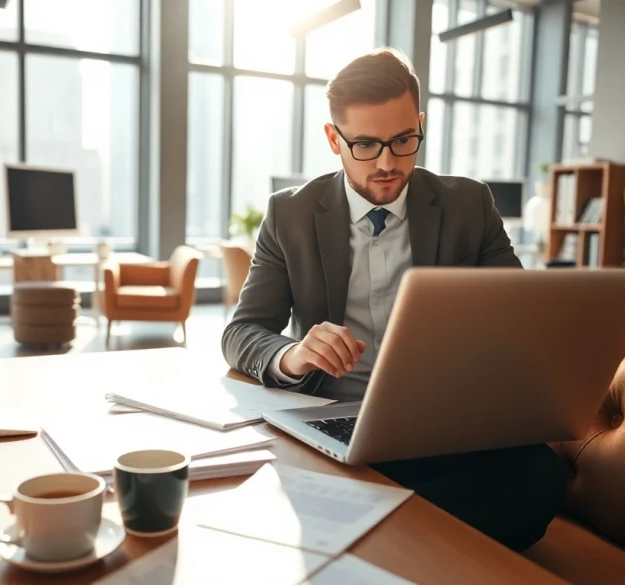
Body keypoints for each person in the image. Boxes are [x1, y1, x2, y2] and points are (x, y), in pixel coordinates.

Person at [221, 47, 567, 552]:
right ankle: (404, 538)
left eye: (404, 140)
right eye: (364, 145)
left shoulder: (469, 204)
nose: (387, 163)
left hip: (439, 421)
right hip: (334, 417)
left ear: (419, 123)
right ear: (332, 139)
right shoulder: (289, 215)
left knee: (539, 477)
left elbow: (518, 316)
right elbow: (241, 331)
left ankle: (369, 535)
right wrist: (292, 354)